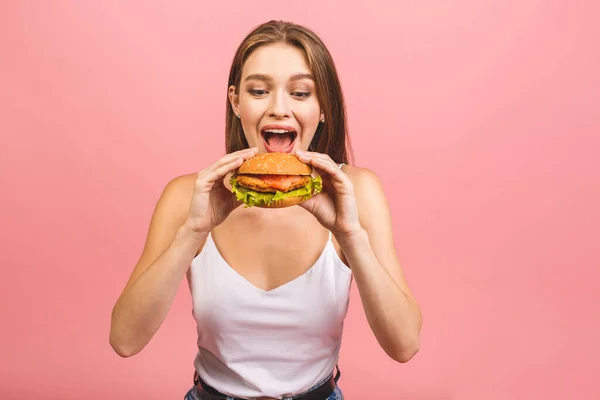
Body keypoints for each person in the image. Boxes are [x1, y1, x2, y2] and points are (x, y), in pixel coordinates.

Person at [109, 20, 422, 400]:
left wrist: (351, 236)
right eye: (259, 90)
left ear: (323, 107)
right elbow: (124, 340)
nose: (279, 109)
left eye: (301, 93)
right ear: (235, 101)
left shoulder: (356, 192)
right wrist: (191, 233)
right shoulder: (188, 195)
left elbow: (404, 345)